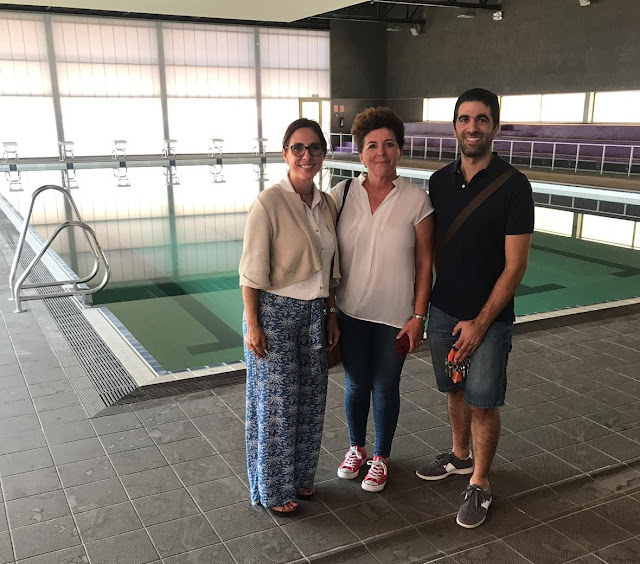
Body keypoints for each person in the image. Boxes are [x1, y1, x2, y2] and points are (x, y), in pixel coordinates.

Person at [415, 88, 534, 529]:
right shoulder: (438, 182)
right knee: (454, 390)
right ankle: (459, 456)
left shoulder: (514, 187)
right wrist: (430, 305)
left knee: (483, 402)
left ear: (495, 127)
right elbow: (431, 250)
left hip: (490, 320)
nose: (472, 127)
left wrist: (481, 323)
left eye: (481, 119)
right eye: (464, 119)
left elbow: (515, 266)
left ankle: (480, 482)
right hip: (444, 312)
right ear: (454, 127)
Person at [239, 118, 340, 515]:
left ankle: (300, 478)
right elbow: (250, 272)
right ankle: (274, 489)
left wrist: (331, 314)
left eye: (314, 148)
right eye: (298, 147)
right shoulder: (269, 202)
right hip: (274, 313)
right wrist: (253, 325)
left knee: (312, 401)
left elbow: (330, 268)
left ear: (323, 154)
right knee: (277, 406)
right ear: (285, 153)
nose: (306, 155)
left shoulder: (326, 203)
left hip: (315, 312)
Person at [332, 107, 435, 492]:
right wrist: (329, 310)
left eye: (389, 144)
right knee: (356, 384)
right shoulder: (341, 195)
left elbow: (425, 264)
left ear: (400, 150)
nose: (381, 152)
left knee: (386, 385)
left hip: (395, 316)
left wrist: (418, 317)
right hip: (351, 311)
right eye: (372, 145)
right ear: (361, 154)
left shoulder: (417, 200)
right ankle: (356, 448)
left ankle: (381, 457)